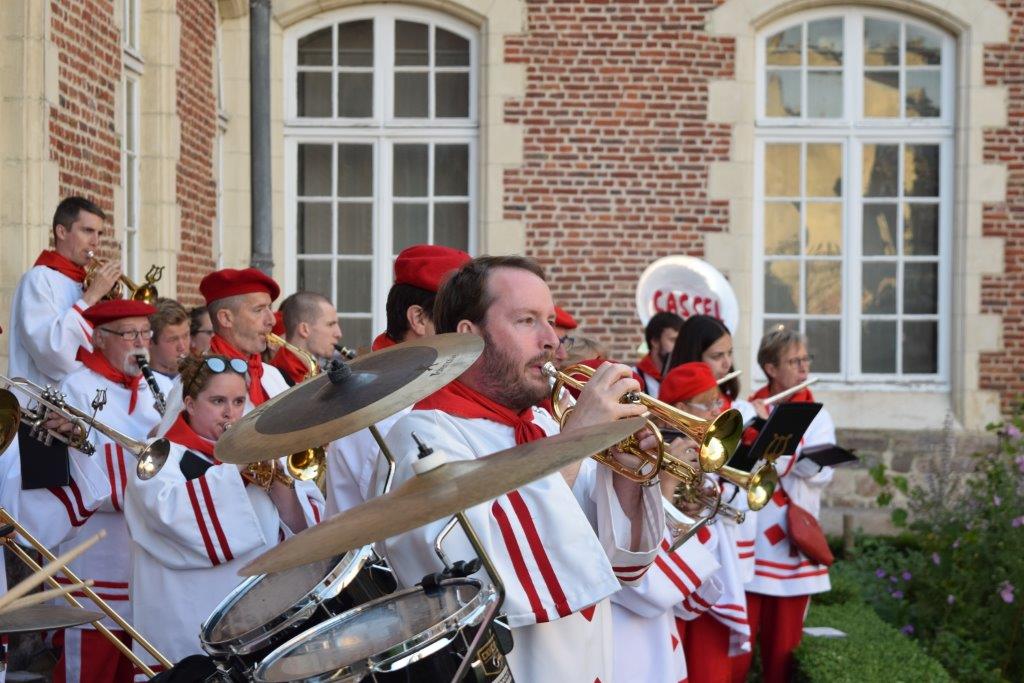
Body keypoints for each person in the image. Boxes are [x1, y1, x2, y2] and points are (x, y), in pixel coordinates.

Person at [379, 255, 664, 683]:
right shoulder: (424, 435)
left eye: (550, 321)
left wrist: (626, 478)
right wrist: (575, 443)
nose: (552, 340)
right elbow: (475, 574)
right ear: (469, 336)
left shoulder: (545, 424)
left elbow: (617, 564)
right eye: (527, 321)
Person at [124, 354, 324, 668]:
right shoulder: (160, 456)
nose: (230, 413)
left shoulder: (257, 453)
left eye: (238, 401)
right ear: (190, 404)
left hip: (254, 618)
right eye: (218, 401)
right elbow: (173, 518)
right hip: (187, 623)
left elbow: (304, 532)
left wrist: (279, 486)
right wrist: (235, 469)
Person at [48, 299, 163, 683]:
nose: (141, 343)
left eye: (146, 333)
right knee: (93, 663)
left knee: (141, 663)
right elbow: (73, 469)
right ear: (99, 338)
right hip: (96, 550)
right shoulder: (74, 387)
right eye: (130, 334)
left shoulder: (163, 387)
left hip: (149, 548)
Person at [326, 244, 469, 514]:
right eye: (460, 319)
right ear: (418, 319)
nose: (470, 331)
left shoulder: (433, 385)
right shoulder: (385, 413)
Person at [732, 327, 835, 683]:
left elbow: (820, 472)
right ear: (771, 368)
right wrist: (767, 437)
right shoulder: (746, 408)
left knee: (783, 656)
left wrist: (776, 453)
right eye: (794, 362)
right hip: (750, 544)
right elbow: (737, 464)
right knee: (737, 651)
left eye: (806, 360)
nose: (804, 368)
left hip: (791, 545)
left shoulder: (818, 415)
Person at [658, 363, 753, 683]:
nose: (717, 410)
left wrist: (701, 503)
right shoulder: (665, 446)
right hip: (670, 583)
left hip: (704, 571)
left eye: (718, 401)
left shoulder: (708, 447)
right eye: (709, 403)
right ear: (680, 409)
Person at [156, 268, 287, 435]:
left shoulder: (272, 375)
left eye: (269, 308)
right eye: (259, 310)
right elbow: (169, 446)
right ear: (226, 318)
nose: (272, 320)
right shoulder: (192, 380)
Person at [7, 197, 120, 388]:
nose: (95, 242)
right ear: (61, 232)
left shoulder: (83, 281)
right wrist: (91, 297)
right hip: (40, 399)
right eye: (87, 231)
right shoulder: (38, 279)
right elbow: (53, 351)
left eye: (99, 233)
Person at [269, 291, 342, 386]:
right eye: (330, 324)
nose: (339, 334)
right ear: (304, 329)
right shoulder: (273, 378)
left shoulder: (317, 370)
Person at [668, 314, 743, 405]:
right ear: (694, 358)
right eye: (717, 356)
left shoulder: (731, 402)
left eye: (729, 353)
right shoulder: (683, 405)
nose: (728, 364)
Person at [634, 312, 683, 397]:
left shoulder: (684, 378)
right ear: (655, 341)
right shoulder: (633, 377)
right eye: (673, 340)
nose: (680, 346)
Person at [148, 298, 190, 386]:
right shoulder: (142, 387)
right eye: (173, 340)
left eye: (185, 336)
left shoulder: (198, 380)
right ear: (150, 341)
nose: (182, 347)